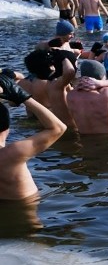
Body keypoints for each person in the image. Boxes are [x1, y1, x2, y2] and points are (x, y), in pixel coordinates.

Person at [0, 71, 67, 200]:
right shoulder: (11, 154)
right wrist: (25, 98)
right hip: (26, 214)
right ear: (6, 128)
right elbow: (58, 128)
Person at [66, 60, 108, 135]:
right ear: (102, 77)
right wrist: (101, 83)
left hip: (84, 140)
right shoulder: (107, 94)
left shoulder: (71, 95)